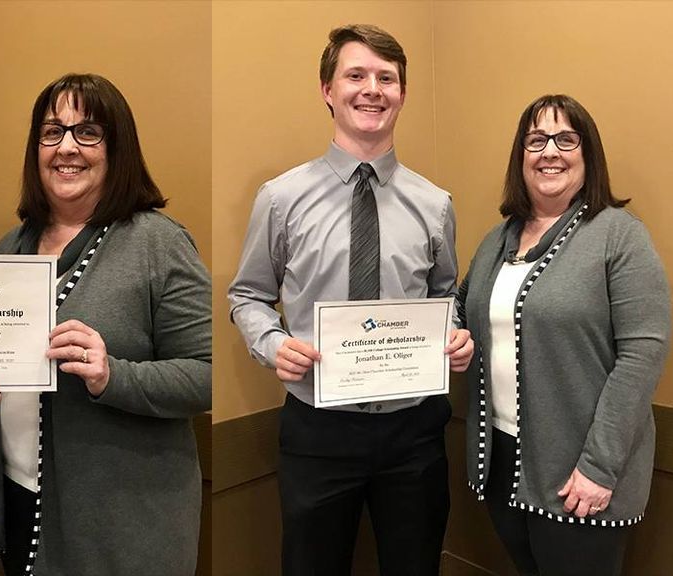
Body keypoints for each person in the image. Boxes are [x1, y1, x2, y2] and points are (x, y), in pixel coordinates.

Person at [227, 24, 475, 575]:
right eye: (356, 75)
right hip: (318, 428)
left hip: (414, 431)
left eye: (386, 78)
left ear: (402, 95)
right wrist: (272, 344)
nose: (372, 89)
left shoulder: (435, 204)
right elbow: (247, 294)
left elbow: (442, 295)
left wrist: (453, 335)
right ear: (327, 90)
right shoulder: (281, 199)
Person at [0, 73, 211, 576]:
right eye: (51, 132)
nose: (67, 148)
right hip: (21, 503)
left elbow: (207, 375)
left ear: (116, 148)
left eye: (88, 133)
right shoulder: (8, 248)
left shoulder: (157, 243)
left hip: (124, 521)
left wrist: (112, 375)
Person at [456, 94, 670, 576]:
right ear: (521, 156)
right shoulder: (498, 239)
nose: (550, 151)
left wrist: (600, 466)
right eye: (536, 140)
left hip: (581, 470)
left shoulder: (619, 236)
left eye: (566, 139)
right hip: (502, 461)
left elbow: (642, 356)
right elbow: (461, 309)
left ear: (587, 153)